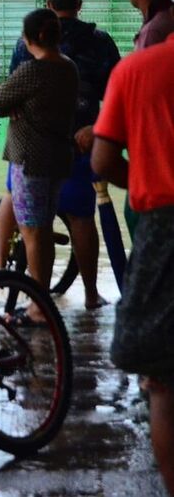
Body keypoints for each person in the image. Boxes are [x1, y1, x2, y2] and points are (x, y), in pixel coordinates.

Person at [0, 0, 120, 310]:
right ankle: (91, 293)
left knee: (19, 205)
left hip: (32, 149)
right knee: (81, 217)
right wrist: (95, 126)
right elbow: (117, 96)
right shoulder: (98, 43)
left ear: (48, 3)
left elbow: (6, 95)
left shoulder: (27, 45)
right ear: (79, 5)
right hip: (78, 143)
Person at [91, 32, 174, 495]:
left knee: (162, 380)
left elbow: (102, 160)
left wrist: (144, 177)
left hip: (164, 225)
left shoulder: (137, 69)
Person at [0, 9, 79, 318]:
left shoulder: (31, 71)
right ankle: (42, 298)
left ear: (28, 40)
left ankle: (39, 306)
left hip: (30, 161)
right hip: (58, 159)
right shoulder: (69, 69)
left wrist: (15, 103)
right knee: (42, 229)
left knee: (32, 235)